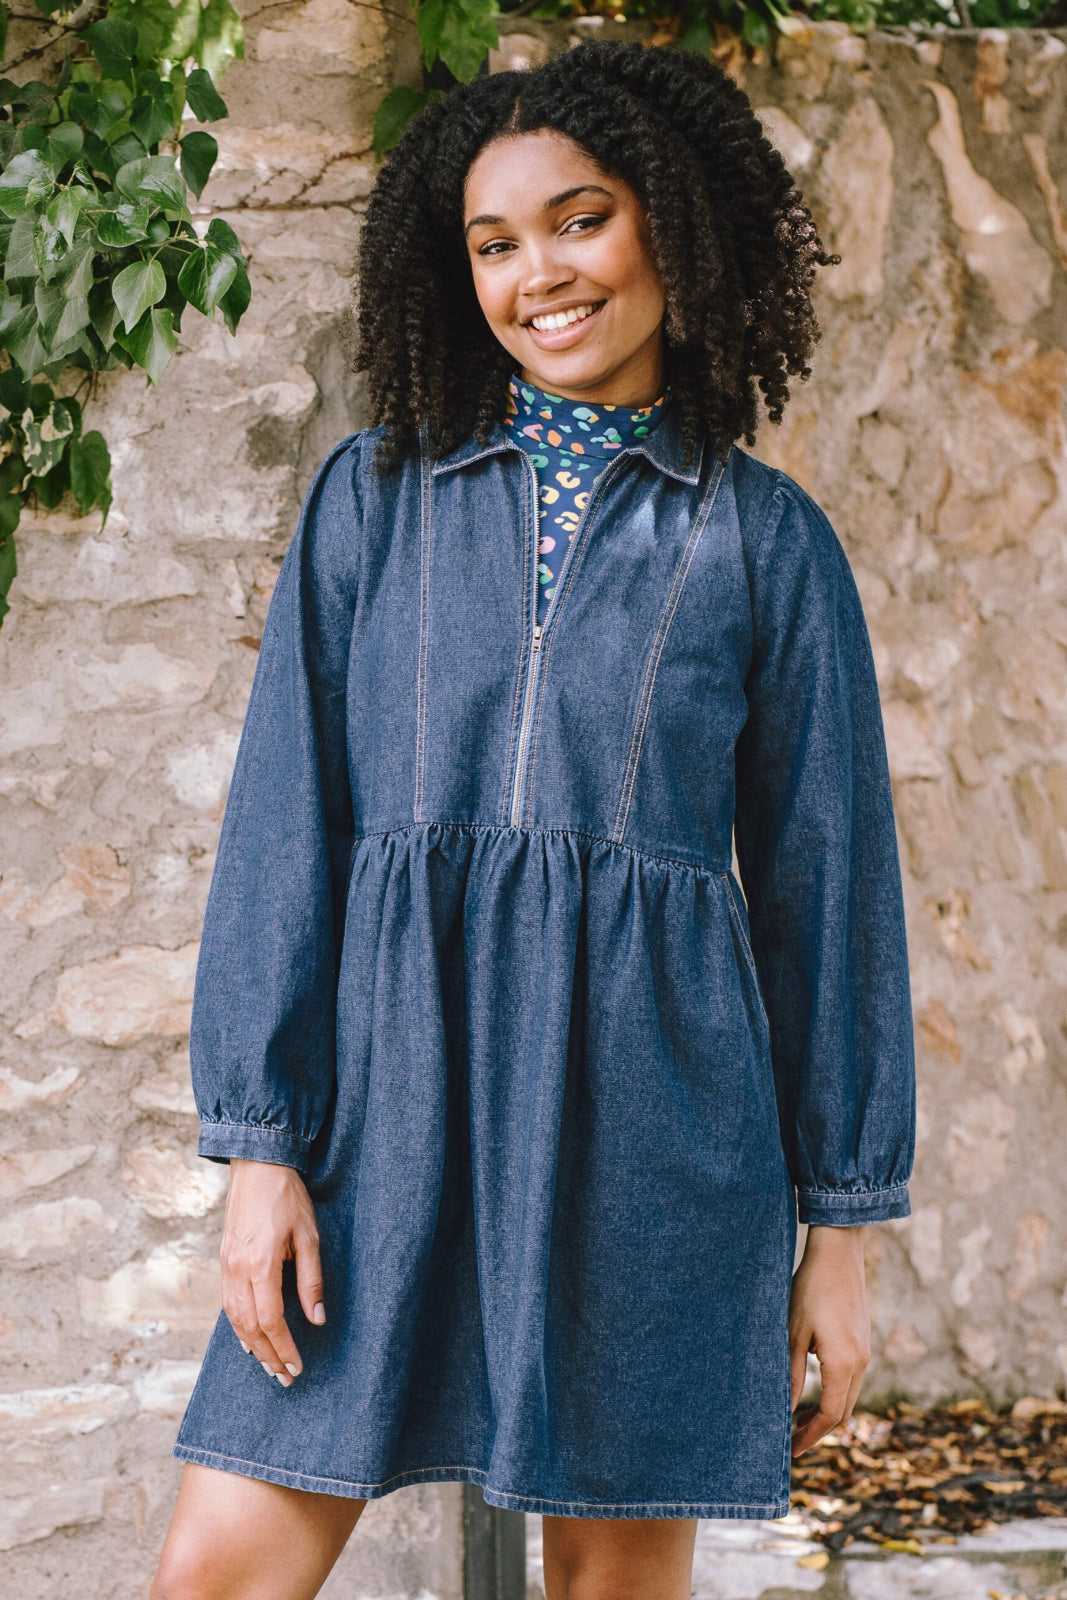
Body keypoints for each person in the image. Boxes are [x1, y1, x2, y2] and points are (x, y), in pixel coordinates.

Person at [150, 37, 916, 1600]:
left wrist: (839, 1236)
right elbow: (289, 824)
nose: (538, 275)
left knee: (608, 1593)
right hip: (390, 1115)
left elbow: (829, 901)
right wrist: (259, 1149)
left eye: (580, 220)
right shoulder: (374, 498)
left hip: (654, 1140)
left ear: (674, 232)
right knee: (214, 1573)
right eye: (494, 244)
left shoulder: (773, 548)